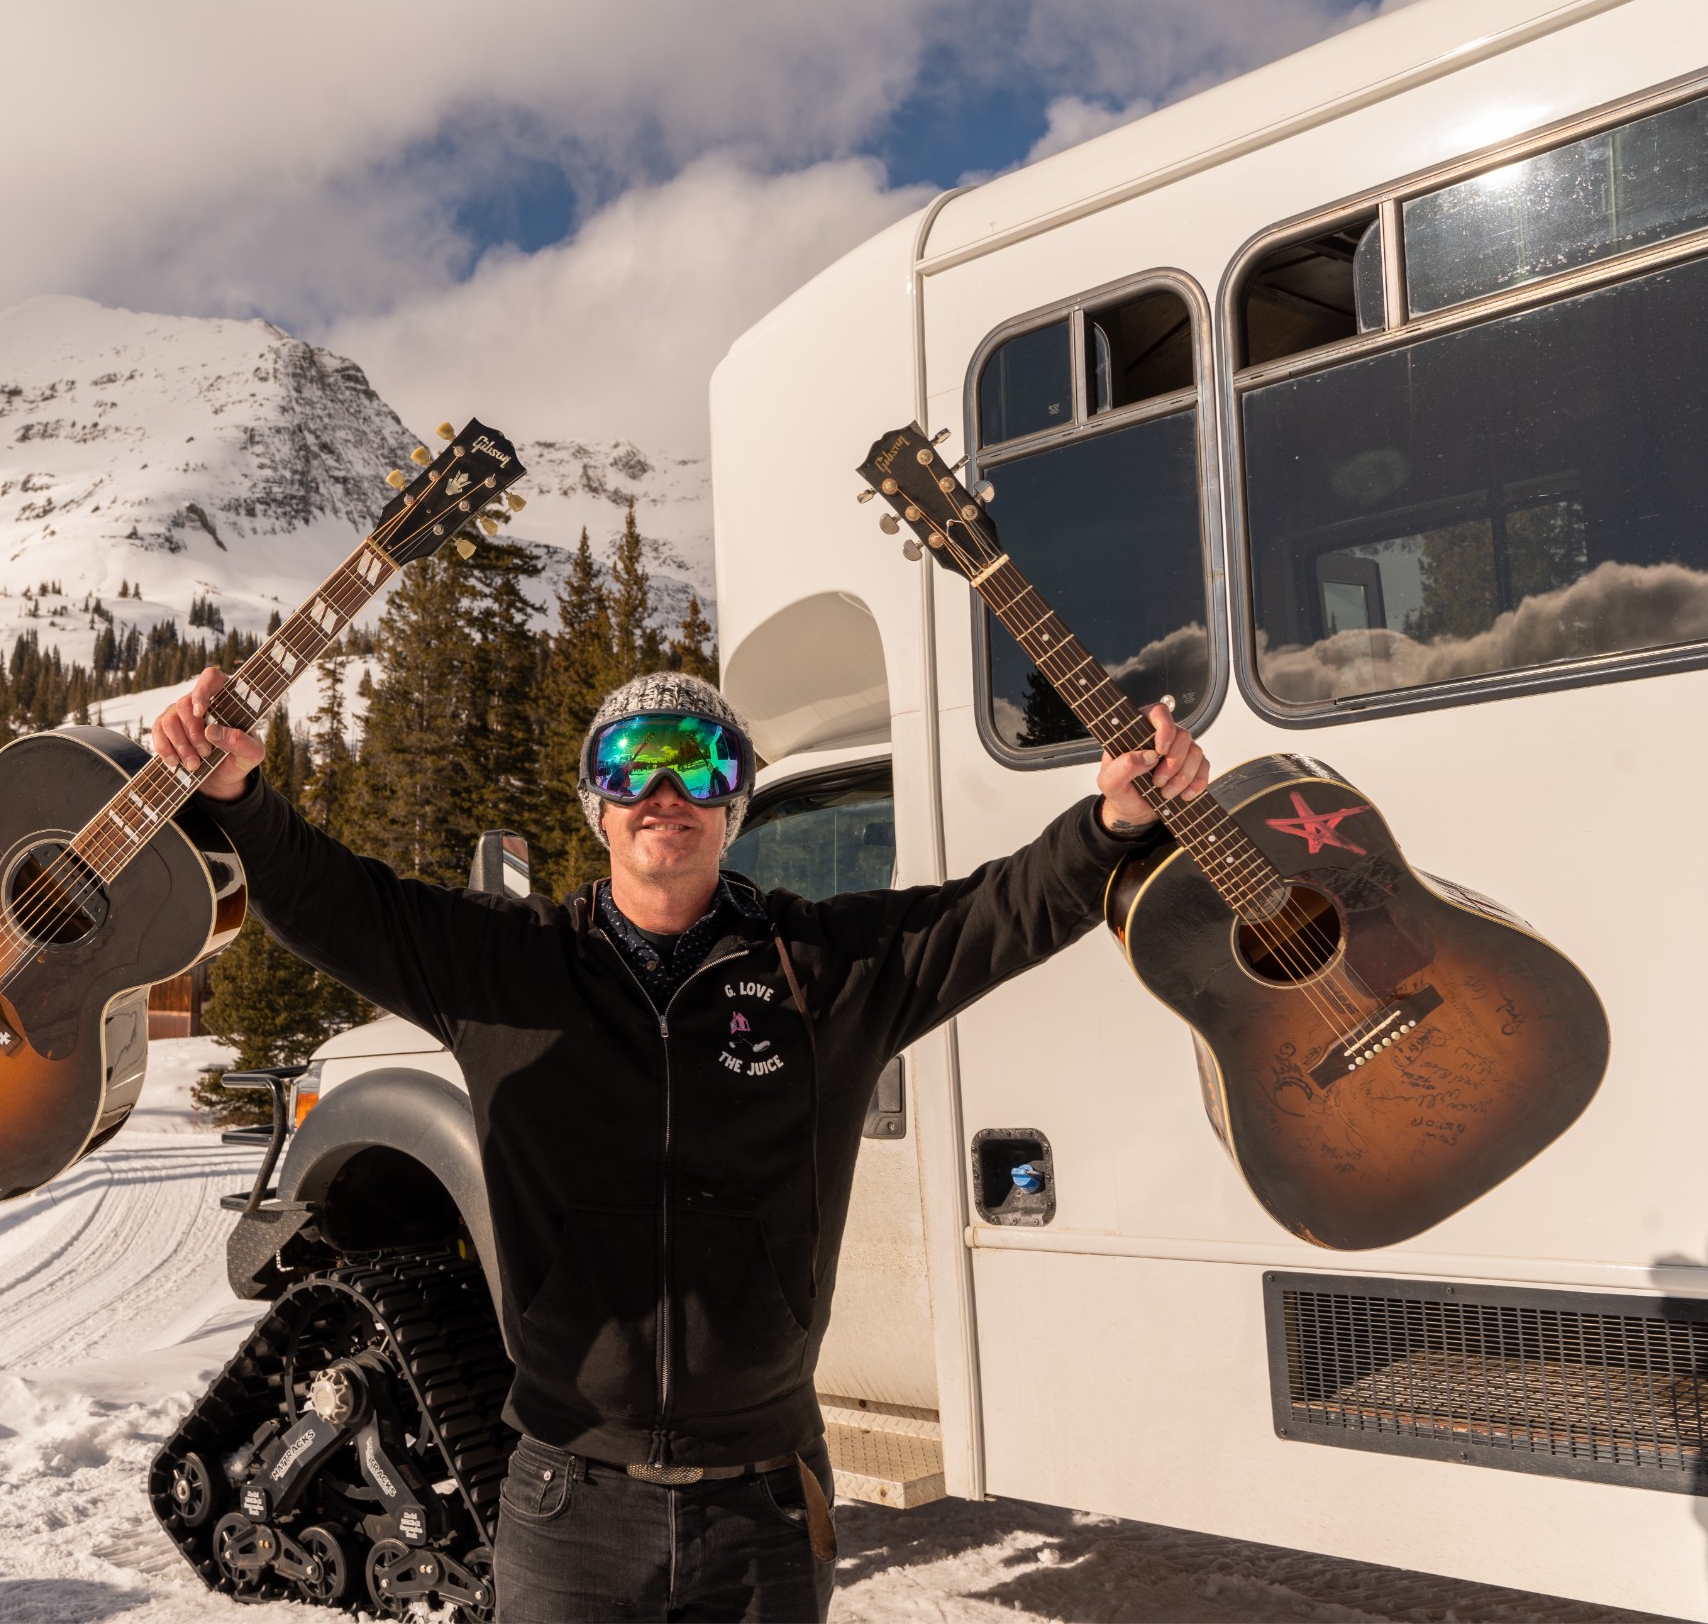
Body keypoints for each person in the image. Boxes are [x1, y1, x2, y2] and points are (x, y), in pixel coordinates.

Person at [154, 667, 1210, 1623]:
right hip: (568, 1499)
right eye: (632, 765)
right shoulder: (503, 969)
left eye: (702, 766)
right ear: (598, 805)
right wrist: (241, 799)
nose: (668, 792)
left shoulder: (821, 972)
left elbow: (999, 912)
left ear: (733, 803)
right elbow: (340, 904)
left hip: (763, 1504)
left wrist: (1113, 821)